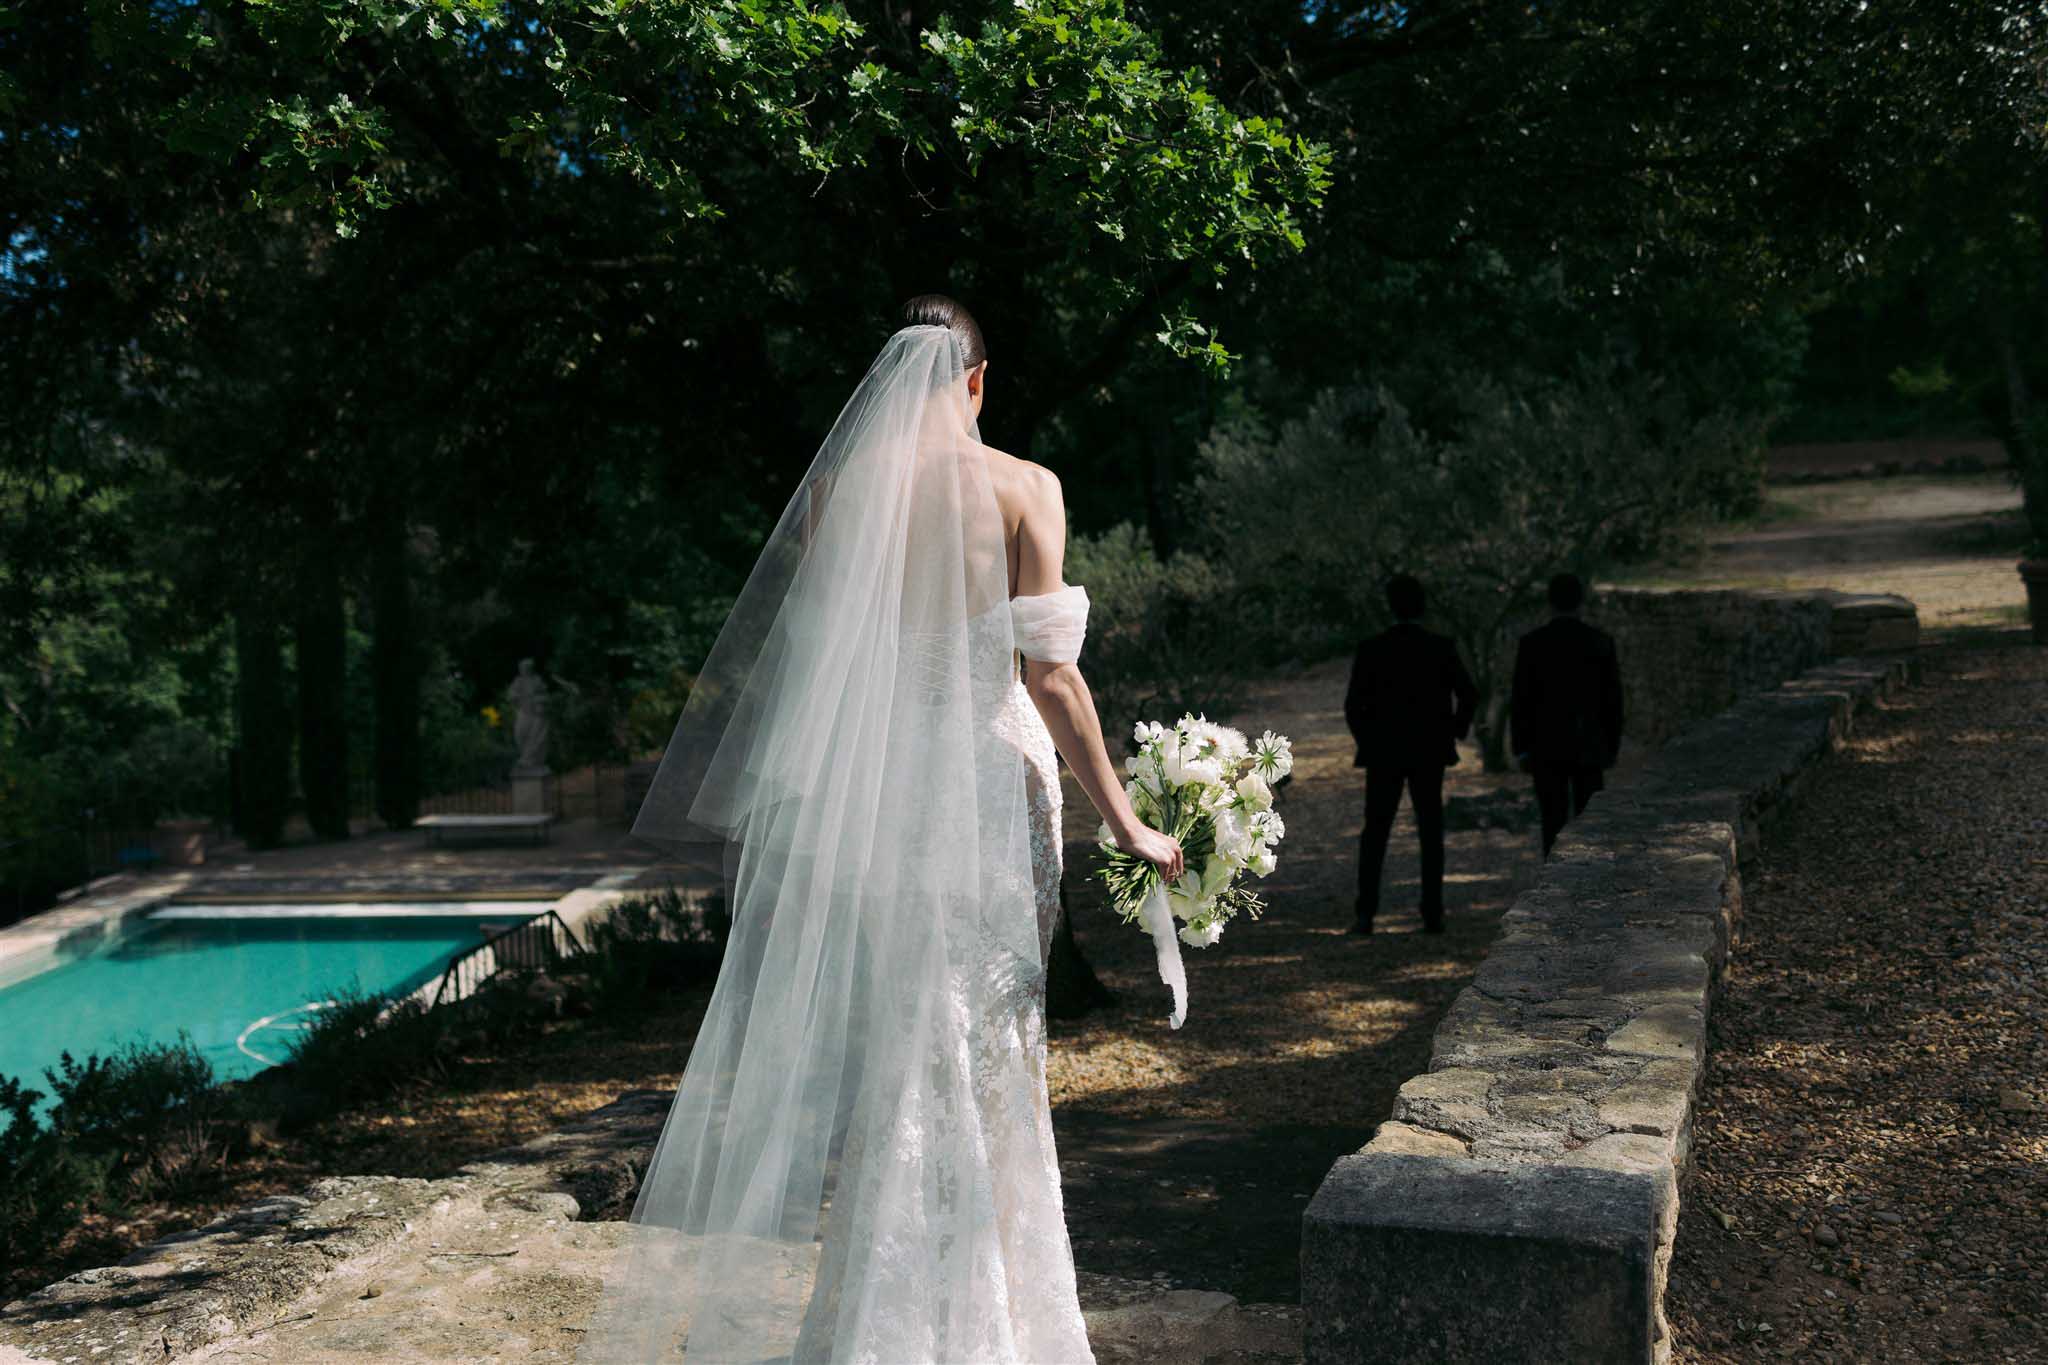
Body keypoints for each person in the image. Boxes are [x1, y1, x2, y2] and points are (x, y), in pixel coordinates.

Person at [580, 296, 1182, 1363]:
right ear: (977, 381)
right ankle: (992, 1321)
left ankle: (875, 1312)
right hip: (993, 790)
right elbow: (1050, 680)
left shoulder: (837, 496)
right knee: (991, 1046)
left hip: (879, 799)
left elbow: (828, 672)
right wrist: (1127, 822)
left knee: (902, 1042)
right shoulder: (1023, 488)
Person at [1343, 574, 1478, 935]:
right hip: (1429, 751)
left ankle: (1365, 915)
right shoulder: (1440, 646)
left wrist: (1368, 742)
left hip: (1384, 752)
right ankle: (1432, 913)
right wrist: (1452, 732)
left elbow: (1354, 705)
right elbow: (1468, 694)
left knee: (1376, 833)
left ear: (1391, 606)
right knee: (1430, 831)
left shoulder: (1372, 648)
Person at [1511, 572, 1625, 856]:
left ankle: (1553, 879)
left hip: (1545, 747)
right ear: (1580, 601)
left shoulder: (1532, 644)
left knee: (1552, 822)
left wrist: (1521, 748)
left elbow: (1521, 700)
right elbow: (1613, 701)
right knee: (1590, 822)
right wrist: (1611, 746)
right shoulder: (1600, 642)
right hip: (1589, 745)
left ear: (1550, 602)